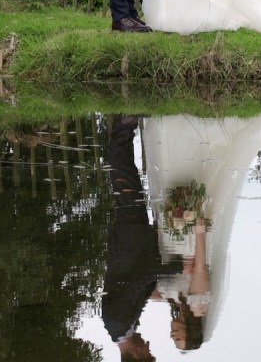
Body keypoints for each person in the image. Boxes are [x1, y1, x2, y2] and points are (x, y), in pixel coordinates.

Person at [140, 107, 261, 349]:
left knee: (170, 176)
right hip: (187, 238)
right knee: (188, 174)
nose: (172, 336)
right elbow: (200, 265)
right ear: (191, 332)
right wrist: (198, 231)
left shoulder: (177, 304)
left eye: (174, 339)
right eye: (178, 338)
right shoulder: (198, 303)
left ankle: (172, 120)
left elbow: (153, 290)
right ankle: (190, 125)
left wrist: (135, 297)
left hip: (170, 240)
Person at [101, 114, 181, 361]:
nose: (149, 348)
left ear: (135, 356)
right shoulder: (125, 325)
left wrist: (170, 270)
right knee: (128, 180)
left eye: (148, 353)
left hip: (129, 239)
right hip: (133, 239)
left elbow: (137, 280)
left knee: (123, 178)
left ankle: (123, 126)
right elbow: (140, 289)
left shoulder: (118, 322)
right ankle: (125, 127)